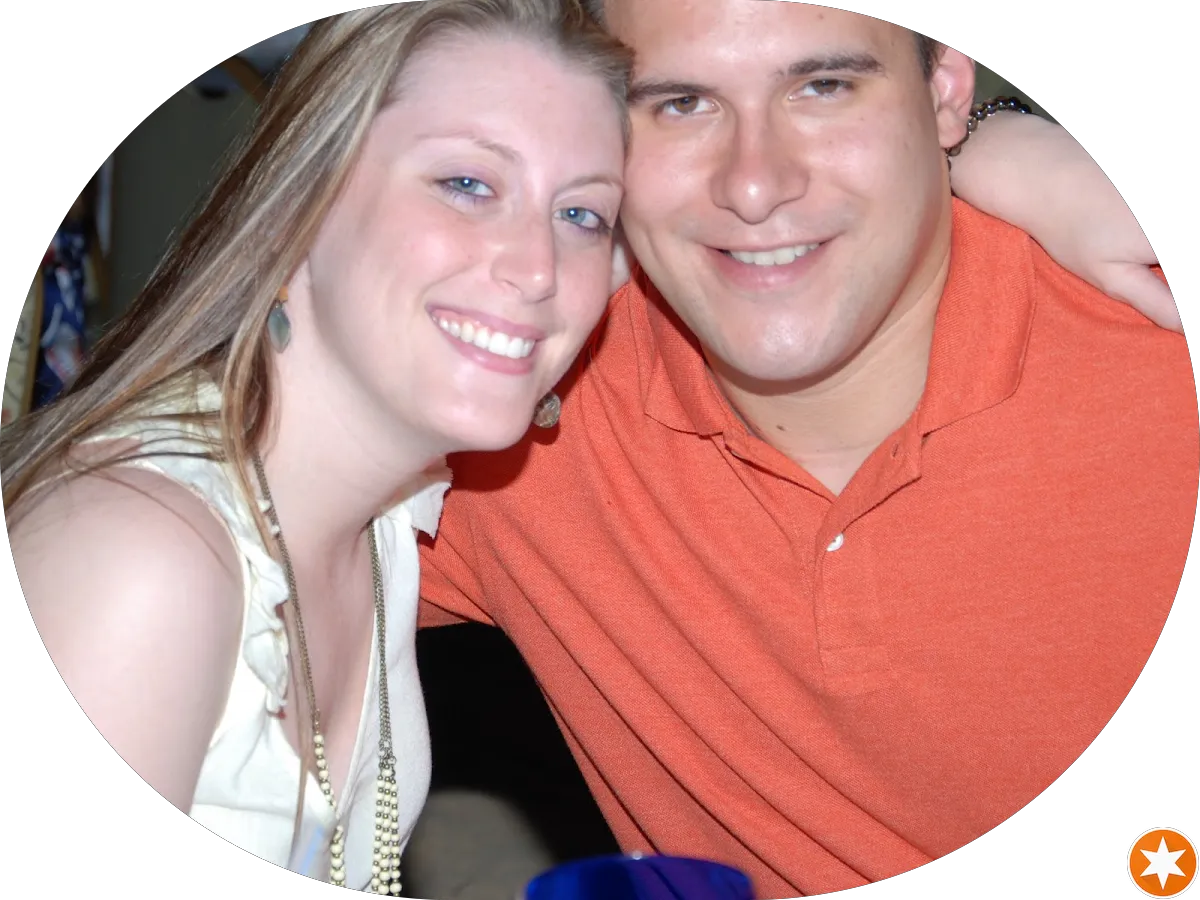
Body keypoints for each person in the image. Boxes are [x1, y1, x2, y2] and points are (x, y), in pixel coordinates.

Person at [416, 2, 1196, 898]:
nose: (755, 186)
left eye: (824, 88)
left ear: (946, 92)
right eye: (680, 104)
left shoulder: (1153, 346)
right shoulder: (508, 414)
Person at [4, 1, 631, 894]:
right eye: (466, 183)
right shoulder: (139, 560)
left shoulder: (384, 530)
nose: (538, 269)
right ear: (299, 205)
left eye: (582, 215)